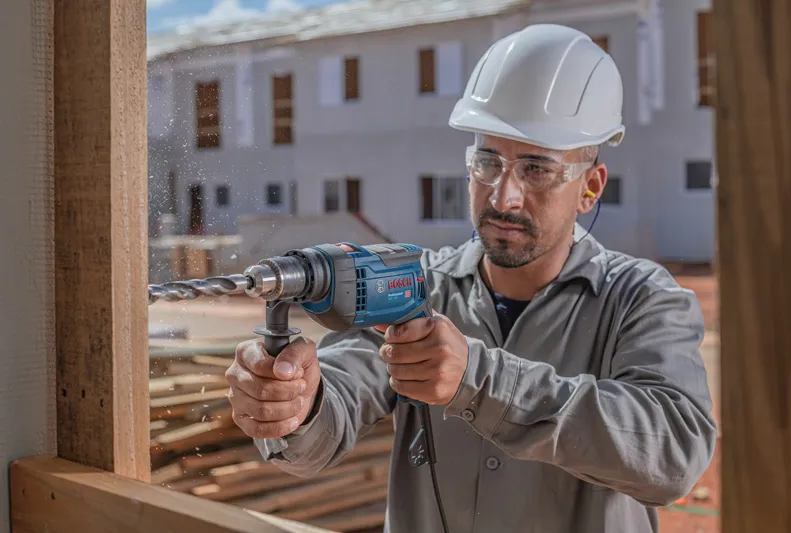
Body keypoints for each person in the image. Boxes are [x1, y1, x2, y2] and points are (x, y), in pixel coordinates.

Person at [224, 24, 717, 532]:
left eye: (536, 169)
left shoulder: (641, 299)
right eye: (487, 162)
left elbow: (674, 454)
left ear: (589, 187)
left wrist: (479, 382)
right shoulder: (418, 288)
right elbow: (335, 409)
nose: (503, 197)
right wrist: (297, 403)